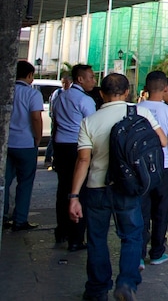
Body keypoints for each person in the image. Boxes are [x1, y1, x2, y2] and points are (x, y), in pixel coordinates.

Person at [68, 73, 168, 301]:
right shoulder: (140, 112)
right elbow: (162, 141)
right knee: (132, 236)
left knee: (96, 238)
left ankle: (97, 288)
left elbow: (83, 160)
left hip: (96, 188)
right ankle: (126, 283)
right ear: (127, 93)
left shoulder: (89, 121)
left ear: (101, 94)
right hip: (128, 186)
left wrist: (74, 196)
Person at [138, 72, 168, 267]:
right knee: (161, 210)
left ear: (146, 88)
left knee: (141, 210)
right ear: (165, 88)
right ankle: (157, 252)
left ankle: (137, 254)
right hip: (164, 166)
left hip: (140, 168)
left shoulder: (136, 109)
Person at [53, 63, 97, 250]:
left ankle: (61, 230)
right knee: (79, 191)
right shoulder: (85, 100)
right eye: (91, 77)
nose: (93, 81)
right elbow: (93, 126)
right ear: (80, 79)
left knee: (63, 188)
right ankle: (76, 238)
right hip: (78, 147)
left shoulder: (60, 97)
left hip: (60, 145)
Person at [4, 60, 44, 230]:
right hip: (26, 143)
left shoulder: (7, 91)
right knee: (25, 182)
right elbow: (36, 117)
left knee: (4, 182)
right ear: (29, 75)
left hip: (8, 143)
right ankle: (20, 219)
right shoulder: (32, 94)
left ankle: (3, 216)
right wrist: (38, 138)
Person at [44, 72, 72, 167]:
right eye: (63, 83)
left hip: (66, 120)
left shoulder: (71, 93)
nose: (65, 85)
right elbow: (53, 107)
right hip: (56, 119)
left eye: (66, 83)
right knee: (53, 138)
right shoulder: (58, 93)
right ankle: (48, 157)